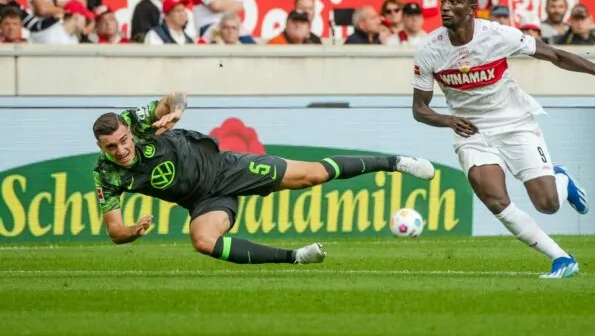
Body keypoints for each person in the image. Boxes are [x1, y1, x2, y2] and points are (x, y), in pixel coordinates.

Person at [411, 0, 595, 279]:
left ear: (472, 9)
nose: (445, 7)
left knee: (547, 204)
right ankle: (561, 258)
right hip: (472, 131)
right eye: (444, 1)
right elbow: (419, 108)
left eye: (454, 2)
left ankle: (561, 180)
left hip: (515, 123)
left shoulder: (497, 35)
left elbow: (555, 55)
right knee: (495, 199)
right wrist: (448, 120)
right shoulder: (430, 50)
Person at [92, 92, 436, 265]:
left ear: (129, 132)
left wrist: (177, 111)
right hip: (203, 201)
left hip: (226, 168)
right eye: (111, 147)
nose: (121, 150)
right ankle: (295, 257)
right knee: (202, 240)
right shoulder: (107, 175)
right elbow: (115, 232)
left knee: (311, 175)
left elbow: (175, 95)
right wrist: (133, 230)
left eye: (124, 141)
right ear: (100, 147)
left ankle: (395, 162)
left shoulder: (134, 120)